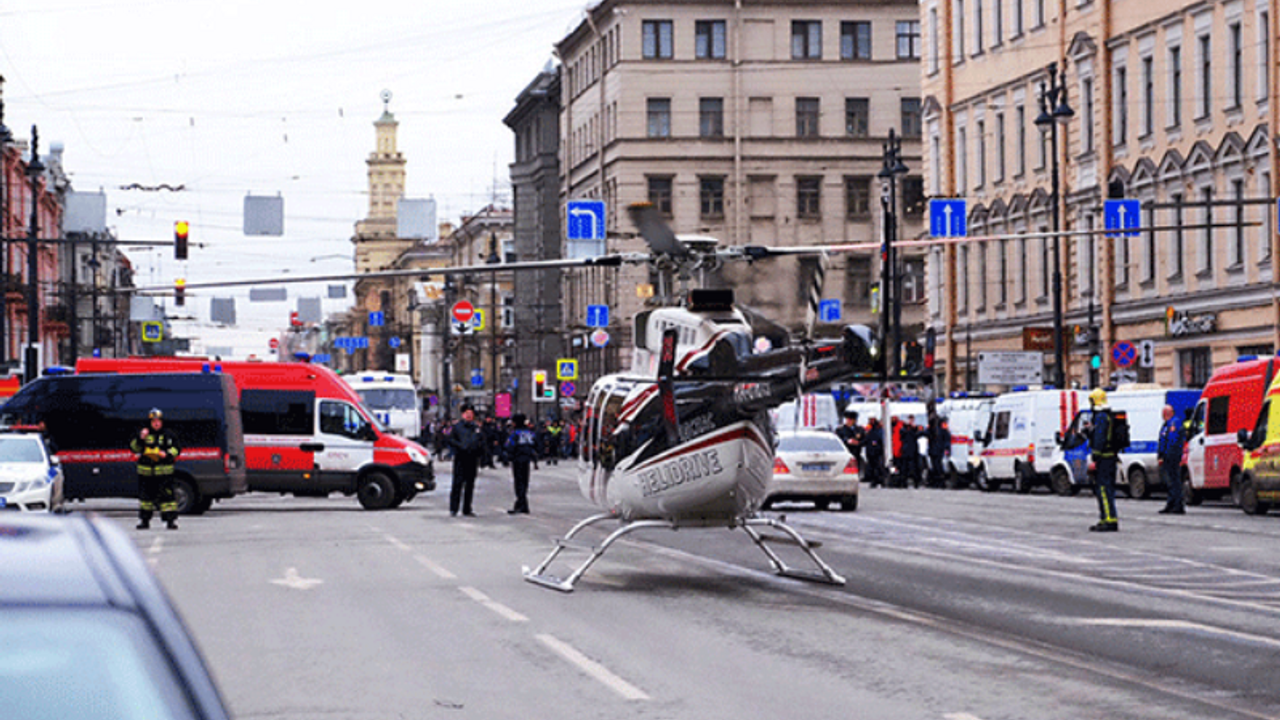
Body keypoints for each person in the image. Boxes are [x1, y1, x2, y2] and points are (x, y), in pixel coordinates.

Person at [130, 408, 182, 530]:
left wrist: (167, 454)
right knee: (145, 500)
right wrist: (140, 438)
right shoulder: (144, 434)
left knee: (167, 499)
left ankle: (170, 521)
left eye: (158, 421)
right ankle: (144, 521)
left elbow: (177, 448)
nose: (156, 423)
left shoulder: (169, 435)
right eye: (153, 421)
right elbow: (134, 448)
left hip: (165, 473)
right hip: (146, 474)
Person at [1086, 388, 1120, 532]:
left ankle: (1108, 519)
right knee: (1108, 490)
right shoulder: (1108, 416)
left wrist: (1095, 457)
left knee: (1103, 490)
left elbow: (1100, 439)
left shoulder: (1100, 417)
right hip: (1111, 457)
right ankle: (1106, 517)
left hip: (1104, 459)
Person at [446, 405, 483, 517]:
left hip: (472, 459)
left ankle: (467, 508)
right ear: (463, 414)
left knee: (470, 485)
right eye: (467, 413)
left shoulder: (476, 428)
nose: (469, 415)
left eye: (471, 413)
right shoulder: (457, 427)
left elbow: (481, 441)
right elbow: (451, 440)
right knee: (457, 484)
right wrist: (459, 447)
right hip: (460, 458)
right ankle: (454, 508)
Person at [505, 413, 538, 514]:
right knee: (525, 482)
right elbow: (535, 444)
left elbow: (509, 446)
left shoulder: (515, 434)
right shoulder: (529, 433)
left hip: (517, 459)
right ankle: (521, 503)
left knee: (518, 482)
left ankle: (522, 504)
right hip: (527, 459)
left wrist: (507, 456)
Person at [1157, 404, 1187, 515]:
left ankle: (1177, 505)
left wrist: (1167, 455)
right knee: (1169, 482)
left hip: (1172, 456)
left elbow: (1172, 440)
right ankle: (1171, 503)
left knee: (1174, 481)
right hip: (1167, 456)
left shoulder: (1174, 423)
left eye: (1163, 413)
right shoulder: (1167, 424)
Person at [928, 417, 952, 488]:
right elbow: (947, 440)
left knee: (937, 467)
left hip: (936, 451)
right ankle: (938, 482)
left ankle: (938, 482)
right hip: (936, 451)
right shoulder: (941, 430)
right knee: (937, 467)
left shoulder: (937, 430)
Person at [900, 418, 923, 488]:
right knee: (905, 468)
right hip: (906, 451)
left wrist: (915, 428)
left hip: (914, 451)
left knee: (915, 468)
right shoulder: (904, 430)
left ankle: (916, 482)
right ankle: (904, 482)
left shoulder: (915, 430)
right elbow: (902, 434)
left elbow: (920, 434)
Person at [863, 417, 885, 488]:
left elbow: (879, 439)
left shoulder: (878, 430)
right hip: (870, 451)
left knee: (878, 466)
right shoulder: (870, 429)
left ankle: (879, 480)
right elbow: (867, 439)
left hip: (877, 451)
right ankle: (874, 480)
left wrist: (875, 443)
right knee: (872, 467)